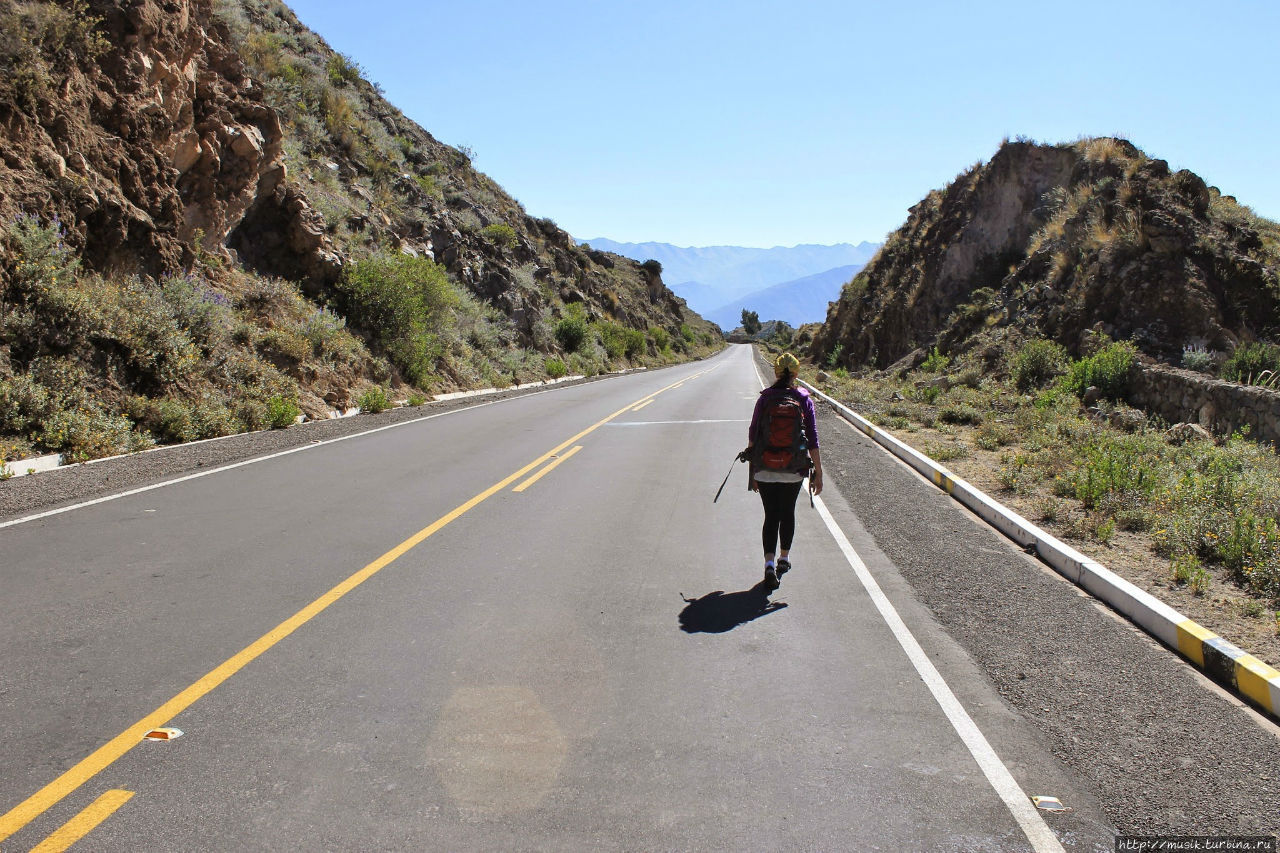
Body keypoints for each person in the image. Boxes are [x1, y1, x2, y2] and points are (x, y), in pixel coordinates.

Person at [742, 352, 822, 591]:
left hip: (765, 467)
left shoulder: (765, 399)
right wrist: (818, 471)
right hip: (793, 467)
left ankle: (768, 563)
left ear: (776, 373)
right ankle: (783, 559)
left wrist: (753, 472)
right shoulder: (803, 399)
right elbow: (813, 438)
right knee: (787, 512)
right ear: (796, 374)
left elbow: (753, 434)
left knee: (770, 515)